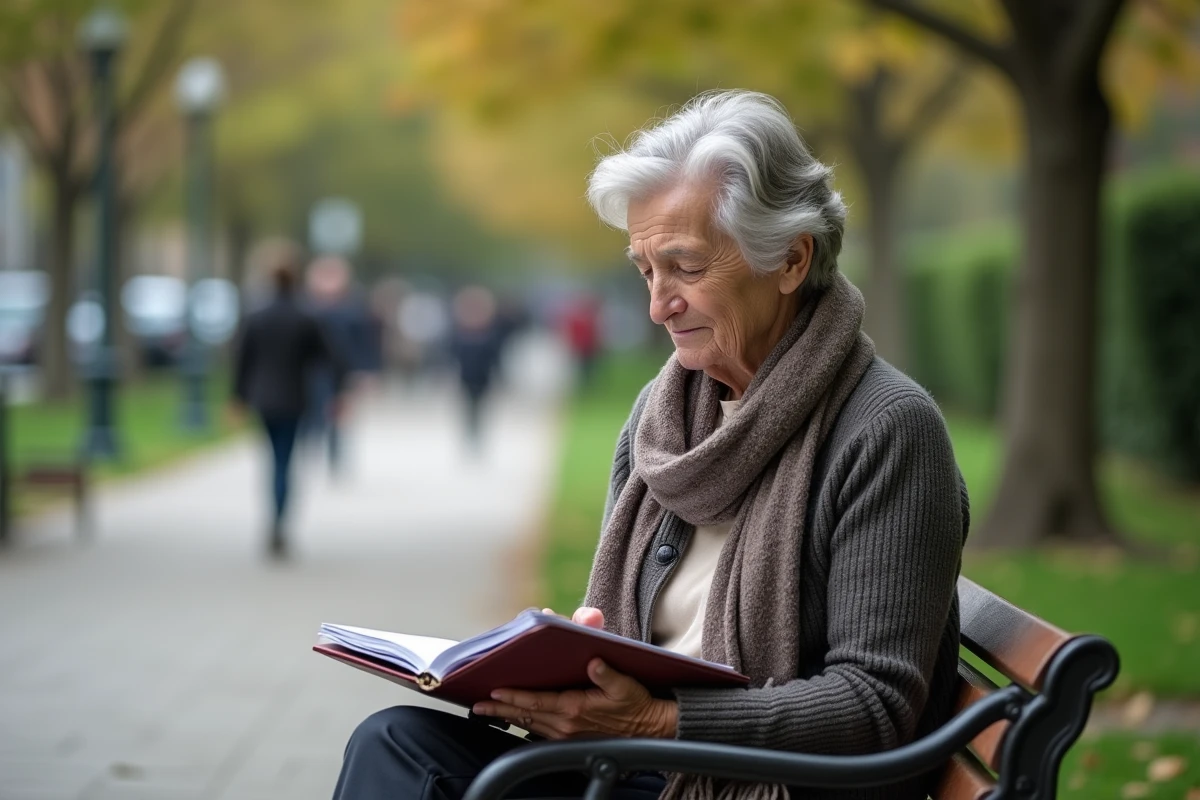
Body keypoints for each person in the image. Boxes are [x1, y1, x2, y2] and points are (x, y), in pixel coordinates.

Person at [332, 90, 967, 800]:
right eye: (645, 270)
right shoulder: (663, 414)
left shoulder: (886, 428)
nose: (657, 304)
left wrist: (659, 722)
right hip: (635, 760)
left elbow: (873, 705)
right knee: (394, 743)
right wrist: (572, 665)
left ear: (790, 260)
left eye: (686, 268)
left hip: (761, 782)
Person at [232, 239, 346, 559]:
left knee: (273, 461)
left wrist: (237, 398)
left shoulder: (257, 316)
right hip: (295, 398)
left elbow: (242, 360)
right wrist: (337, 392)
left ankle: (274, 519)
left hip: (264, 399)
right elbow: (329, 358)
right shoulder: (306, 317)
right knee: (286, 460)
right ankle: (281, 523)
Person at [448, 285, 505, 453]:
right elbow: (452, 355)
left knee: (480, 408)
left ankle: (478, 437)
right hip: (466, 377)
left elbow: (496, 358)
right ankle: (469, 436)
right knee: (468, 408)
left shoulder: (490, 333)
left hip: (483, 377)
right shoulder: (459, 333)